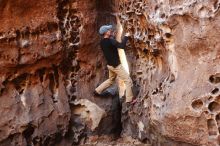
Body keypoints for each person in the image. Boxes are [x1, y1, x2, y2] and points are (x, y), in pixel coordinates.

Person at [94, 25, 136, 104]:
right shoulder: (111, 41)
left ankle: (97, 90)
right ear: (106, 32)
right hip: (116, 66)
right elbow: (122, 46)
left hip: (110, 66)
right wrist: (126, 37)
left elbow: (110, 46)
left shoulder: (102, 42)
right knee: (128, 80)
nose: (110, 30)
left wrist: (112, 36)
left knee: (111, 80)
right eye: (109, 30)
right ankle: (130, 100)